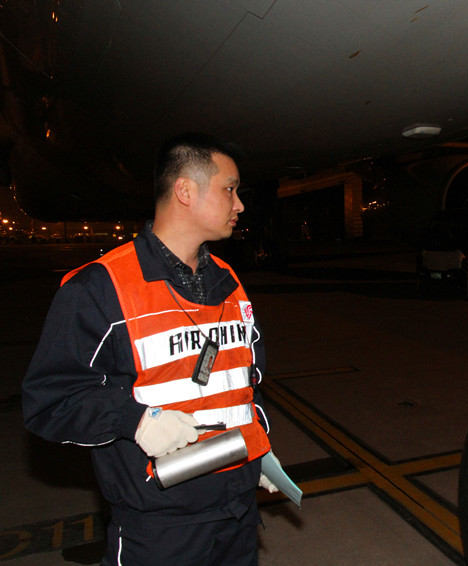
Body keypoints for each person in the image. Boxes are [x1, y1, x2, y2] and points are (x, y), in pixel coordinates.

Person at [22, 133, 280, 565]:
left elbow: (242, 385)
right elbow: (50, 400)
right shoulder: (99, 288)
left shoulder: (228, 281)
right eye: (230, 189)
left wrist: (260, 451)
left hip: (237, 514)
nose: (239, 205)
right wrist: (136, 420)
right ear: (185, 191)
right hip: (161, 529)